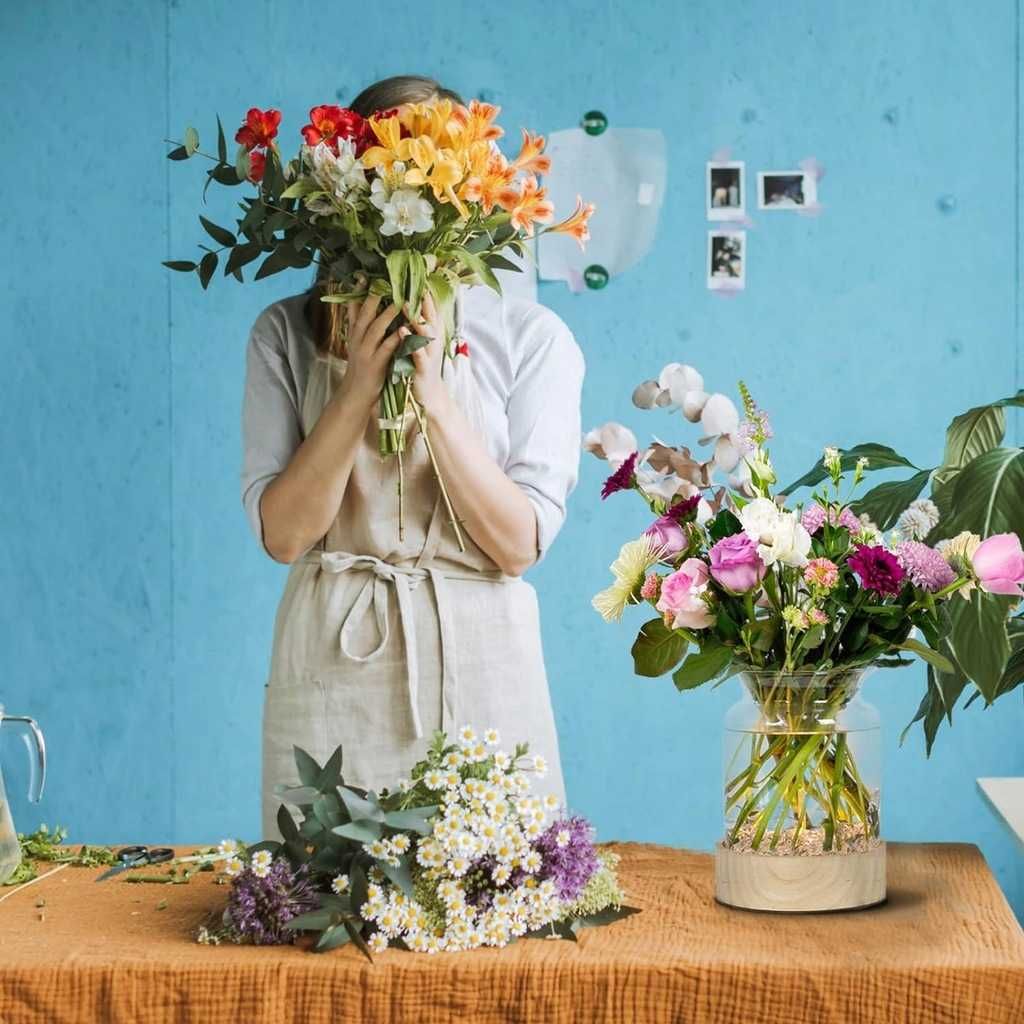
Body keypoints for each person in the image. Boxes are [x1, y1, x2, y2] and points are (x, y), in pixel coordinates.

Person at [240, 75, 586, 838]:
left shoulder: (532, 339)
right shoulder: (285, 332)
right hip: (330, 656)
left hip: (482, 657)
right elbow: (285, 535)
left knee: (496, 920)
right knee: (324, 929)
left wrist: (428, 390)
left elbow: (517, 542)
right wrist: (361, 383)